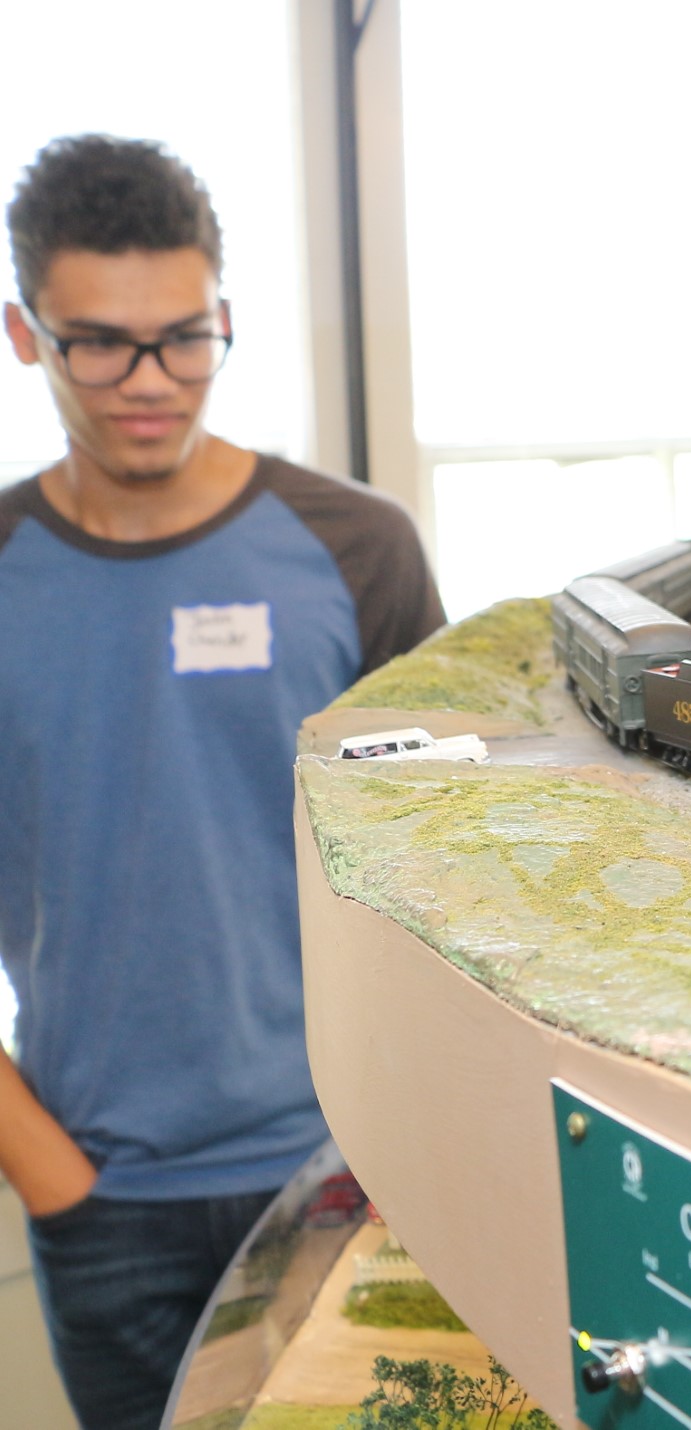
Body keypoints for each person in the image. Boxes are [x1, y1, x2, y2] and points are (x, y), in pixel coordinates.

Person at [0, 135, 444, 1429]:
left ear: (224, 320)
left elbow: (448, 873)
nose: (150, 381)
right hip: (103, 1201)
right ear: (25, 336)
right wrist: (49, 1174)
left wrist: (411, 1131)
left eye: (185, 338)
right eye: (100, 343)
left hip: (350, 1169)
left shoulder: (358, 548)